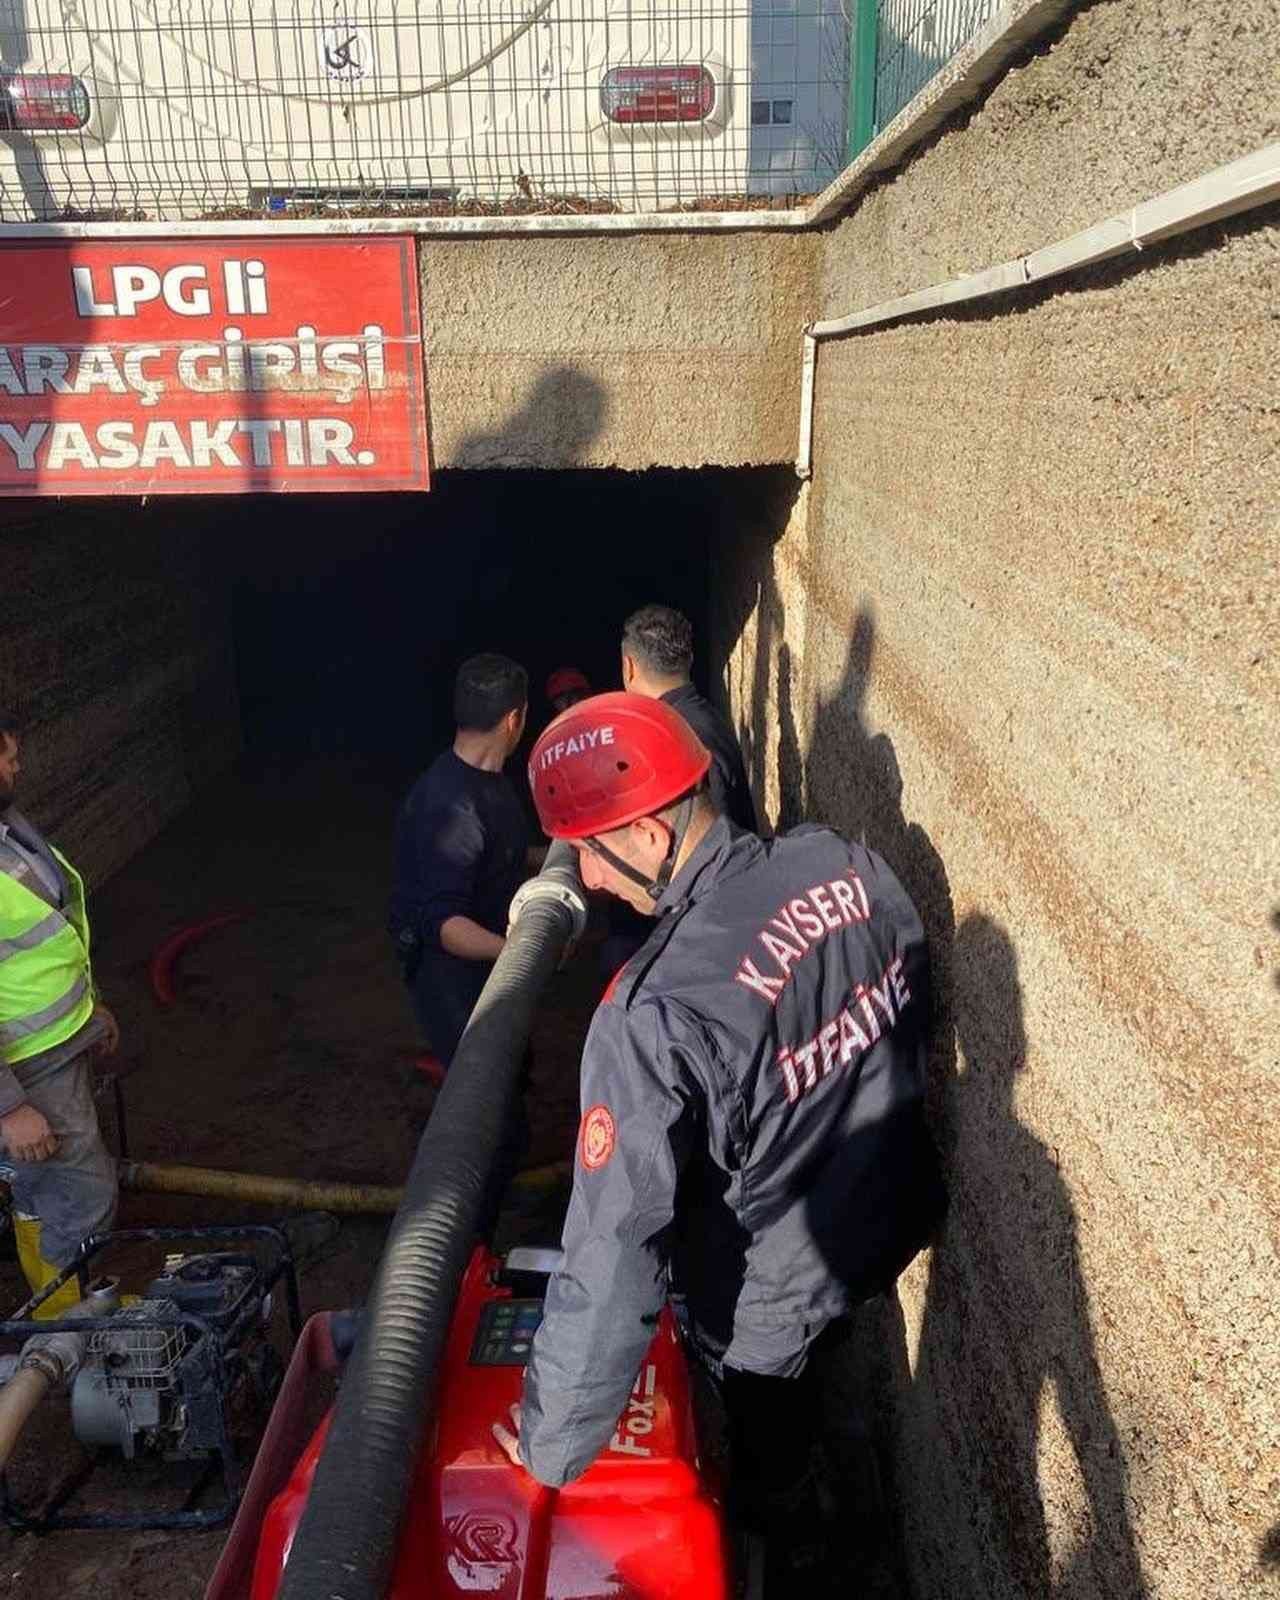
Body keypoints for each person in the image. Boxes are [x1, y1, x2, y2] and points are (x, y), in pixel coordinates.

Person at [493, 692, 945, 1589]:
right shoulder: (839, 863)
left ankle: (798, 1538)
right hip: (887, 1210)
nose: (588, 882)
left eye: (589, 852)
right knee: (821, 1361)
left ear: (648, 836)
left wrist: (553, 1441)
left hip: (769, 1299)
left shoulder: (652, 1013)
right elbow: (906, 1007)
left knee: (770, 1439)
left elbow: (616, 1247)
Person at [0, 708, 120, 1320]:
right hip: (26, 1067)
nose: (17, 764)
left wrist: (91, 1007)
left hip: (54, 1042)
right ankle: (67, 1330)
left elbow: (54, 927)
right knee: (84, 1198)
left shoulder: (8, 827)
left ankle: (58, 1310)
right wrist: (9, 1108)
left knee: (43, 1188)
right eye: (5, 756)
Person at [389, 654, 536, 1069]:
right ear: (514, 719)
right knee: (479, 1085)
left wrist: (564, 852)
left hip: (485, 959)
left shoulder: (491, 781)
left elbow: (497, 854)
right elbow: (445, 925)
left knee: (513, 1065)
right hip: (450, 976)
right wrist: (522, 953)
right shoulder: (450, 807)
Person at [620, 604, 758, 833]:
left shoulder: (679, 741)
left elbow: (713, 840)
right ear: (690, 659)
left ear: (629, 667)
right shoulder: (706, 719)